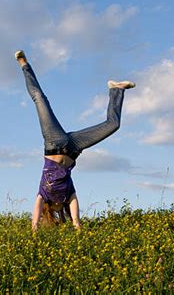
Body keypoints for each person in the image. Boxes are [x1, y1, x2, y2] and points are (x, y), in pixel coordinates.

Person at [15, 50, 135, 231]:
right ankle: (116, 89)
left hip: (54, 142)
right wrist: (77, 226)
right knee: (113, 125)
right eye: (58, 208)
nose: (56, 206)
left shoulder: (44, 194)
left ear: (49, 208)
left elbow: (36, 208)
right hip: (74, 147)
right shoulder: (68, 194)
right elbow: (74, 206)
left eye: (53, 208)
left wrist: (34, 229)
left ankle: (24, 64)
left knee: (40, 99)